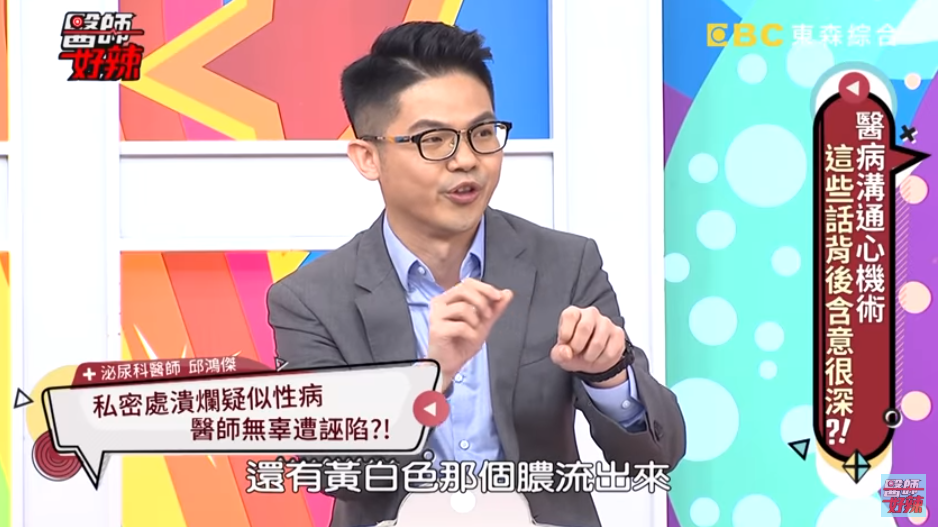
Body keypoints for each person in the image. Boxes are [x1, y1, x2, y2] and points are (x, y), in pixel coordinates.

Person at [268, 21, 686, 527]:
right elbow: (333, 471)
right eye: (434, 140)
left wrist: (608, 377)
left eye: (483, 133)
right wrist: (432, 377)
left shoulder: (565, 264)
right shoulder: (309, 300)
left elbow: (654, 457)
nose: (467, 160)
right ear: (368, 157)